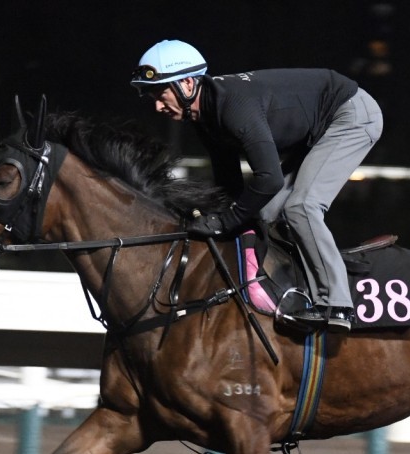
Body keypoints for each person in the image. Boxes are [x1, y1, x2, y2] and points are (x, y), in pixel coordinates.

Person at [131, 39, 383, 332]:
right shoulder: (206, 118)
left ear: (187, 83)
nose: (158, 106)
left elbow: (269, 179)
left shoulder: (233, 107)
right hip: (319, 126)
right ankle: (301, 289)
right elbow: (230, 184)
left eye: (161, 94)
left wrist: (224, 222)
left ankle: (338, 305)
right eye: (152, 97)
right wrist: (216, 217)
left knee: (301, 207)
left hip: (351, 114)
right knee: (265, 213)